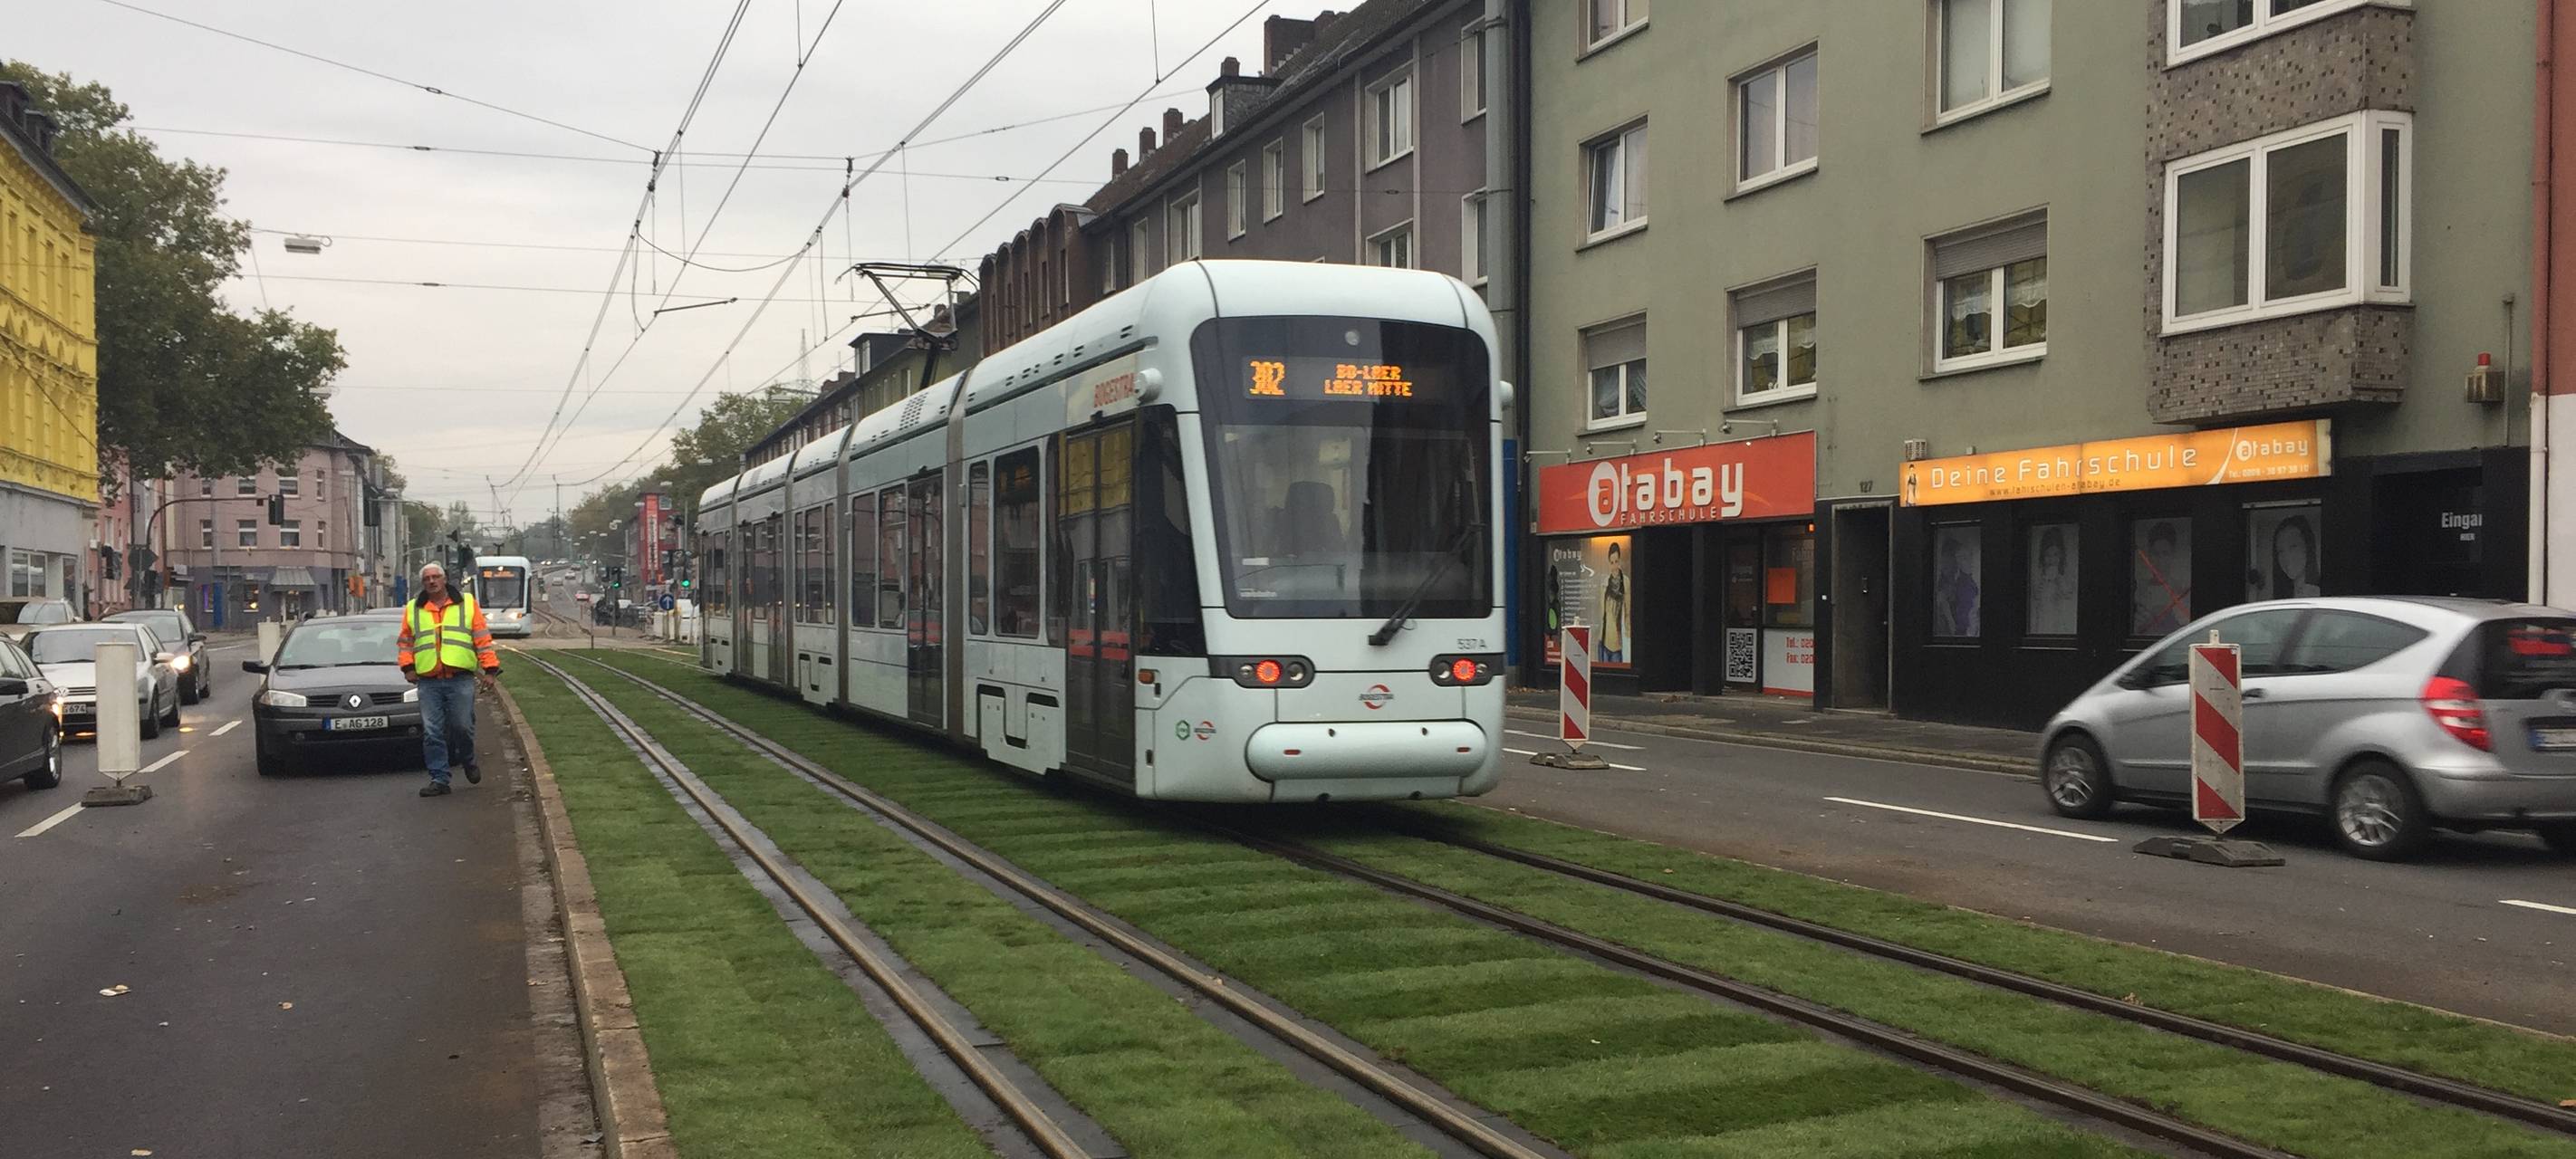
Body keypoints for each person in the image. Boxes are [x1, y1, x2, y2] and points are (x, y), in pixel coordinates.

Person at [396, 562, 499, 798]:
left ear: (445, 580)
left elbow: (482, 638)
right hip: (428, 680)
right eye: (427, 579)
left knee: (462, 726)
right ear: (423, 583)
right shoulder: (413, 608)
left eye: (436, 577)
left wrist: (490, 670)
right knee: (432, 731)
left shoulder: (467, 605)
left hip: (459, 678)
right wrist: (408, 668)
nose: (432, 582)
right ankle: (439, 779)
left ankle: (468, 759)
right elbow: (405, 642)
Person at [1598, 541, 1629, 664]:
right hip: (1603, 640)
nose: (1614, 566)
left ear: (1620, 561)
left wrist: (1628, 632)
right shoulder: (1605, 583)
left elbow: (1628, 611)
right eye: (1612, 562)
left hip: (1617, 643)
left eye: (1616, 562)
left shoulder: (1625, 582)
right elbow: (1602, 613)